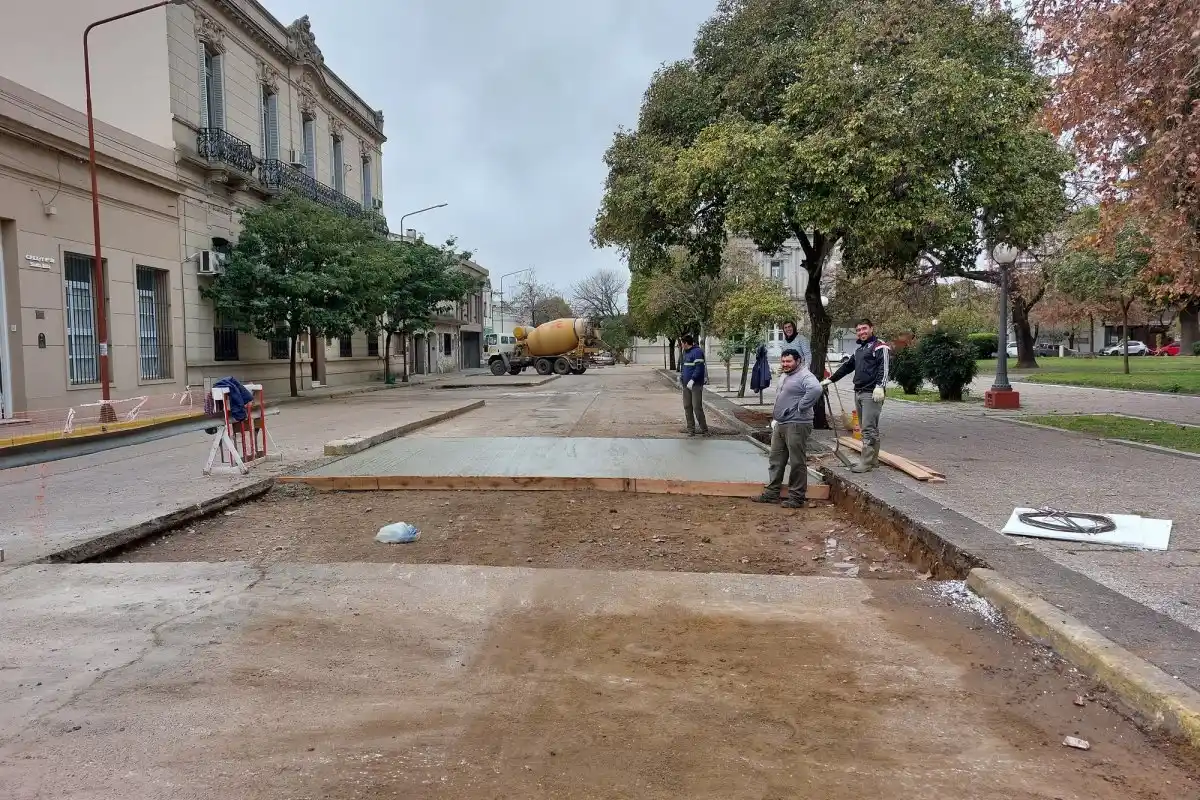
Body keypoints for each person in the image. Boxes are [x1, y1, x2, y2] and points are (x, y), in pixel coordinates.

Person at [753, 347, 823, 508]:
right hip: (782, 423)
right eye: (783, 361)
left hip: (797, 423)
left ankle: (796, 497)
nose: (785, 364)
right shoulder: (786, 374)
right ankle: (772, 493)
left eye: (789, 361)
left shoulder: (805, 375)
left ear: (798, 361)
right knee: (776, 458)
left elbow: (816, 389)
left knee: (797, 461)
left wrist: (801, 406)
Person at [822, 318, 890, 473]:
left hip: (872, 393)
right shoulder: (859, 350)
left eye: (864, 328)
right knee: (870, 428)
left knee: (867, 429)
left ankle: (865, 463)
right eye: (858, 330)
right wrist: (831, 379)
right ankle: (873, 461)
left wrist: (880, 386)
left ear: (872, 328)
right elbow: (847, 367)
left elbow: (884, 368)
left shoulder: (880, 346)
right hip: (858, 391)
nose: (861, 332)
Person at [679, 334, 709, 436]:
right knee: (687, 406)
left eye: (682, 343)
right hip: (686, 385)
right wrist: (681, 377)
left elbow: (699, 368)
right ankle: (691, 430)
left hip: (695, 385)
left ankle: (705, 430)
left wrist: (692, 380)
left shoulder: (697, 352)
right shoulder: (685, 352)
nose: (681, 345)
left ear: (686, 343)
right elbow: (684, 366)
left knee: (697, 407)